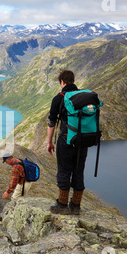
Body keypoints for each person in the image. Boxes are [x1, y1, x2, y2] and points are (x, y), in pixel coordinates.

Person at [46, 70, 88, 215]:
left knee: (64, 170)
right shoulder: (84, 96)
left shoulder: (59, 98)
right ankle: (76, 206)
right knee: (79, 171)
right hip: (83, 141)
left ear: (62, 82)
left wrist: (49, 142)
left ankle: (62, 205)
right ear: (73, 80)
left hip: (66, 139)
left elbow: (51, 122)